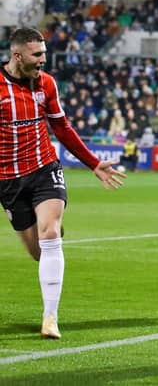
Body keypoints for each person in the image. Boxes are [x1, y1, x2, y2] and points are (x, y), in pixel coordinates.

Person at [0, 28, 125, 339]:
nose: (44, 59)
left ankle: (50, 318)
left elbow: (62, 127)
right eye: (37, 55)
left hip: (45, 168)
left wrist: (93, 163)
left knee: (51, 232)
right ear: (17, 56)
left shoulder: (46, 83)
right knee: (37, 252)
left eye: (44, 53)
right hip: (8, 179)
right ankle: (50, 244)